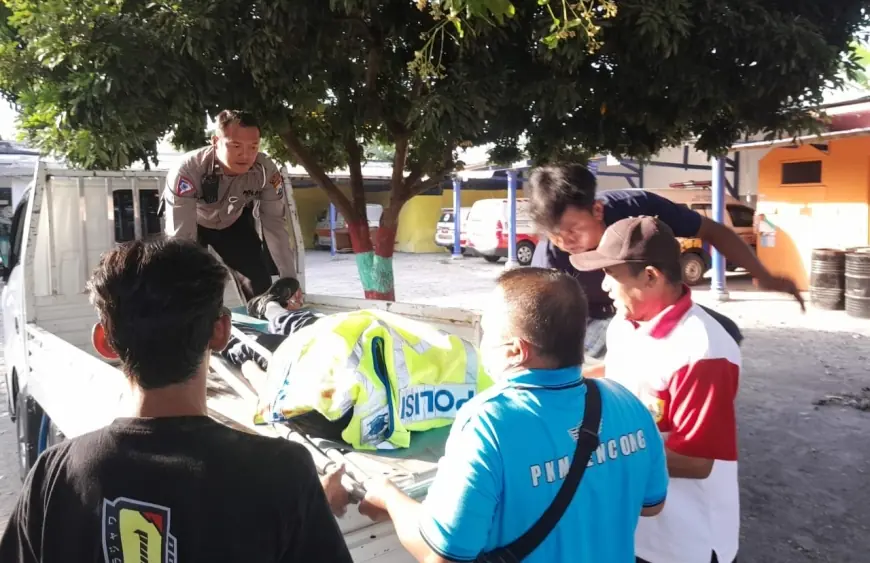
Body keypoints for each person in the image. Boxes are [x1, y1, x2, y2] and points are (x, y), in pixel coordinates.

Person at [0, 238, 353, 563]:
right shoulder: (283, 474)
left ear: (104, 341)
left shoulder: (54, 476)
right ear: (221, 331)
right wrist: (307, 503)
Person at [357, 267, 669, 562]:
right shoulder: (625, 402)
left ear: (515, 351)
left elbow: (442, 555)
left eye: (487, 330)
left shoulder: (489, 422)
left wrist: (389, 499)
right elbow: (652, 505)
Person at [571, 216, 741, 563]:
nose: (604, 287)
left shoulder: (703, 350)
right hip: (636, 529)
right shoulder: (627, 322)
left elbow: (696, 460)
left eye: (611, 275)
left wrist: (594, 455)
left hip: (684, 542)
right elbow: (621, 369)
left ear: (650, 276)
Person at [527, 163, 803, 358]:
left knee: (723, 331)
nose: (566, 242)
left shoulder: (636, 209)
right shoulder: (550, 259)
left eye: (573, 229)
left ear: (597, 210)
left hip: (652, 304)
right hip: (593, 319)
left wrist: (762, 275)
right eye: (555, 235)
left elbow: (714, 231)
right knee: (642, 346)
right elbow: (541, 319)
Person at [163, 109, 297, 301]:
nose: (245, 155)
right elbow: (181, 237)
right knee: (189, 283)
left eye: (253, 147)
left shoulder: (266, 171)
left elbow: (274, 223)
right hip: (193, 220)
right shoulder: (188, 171)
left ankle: (265, 322)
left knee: (259, 282)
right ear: (216, 142)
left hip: (233, 219)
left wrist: (290, 279)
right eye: (236, 146)